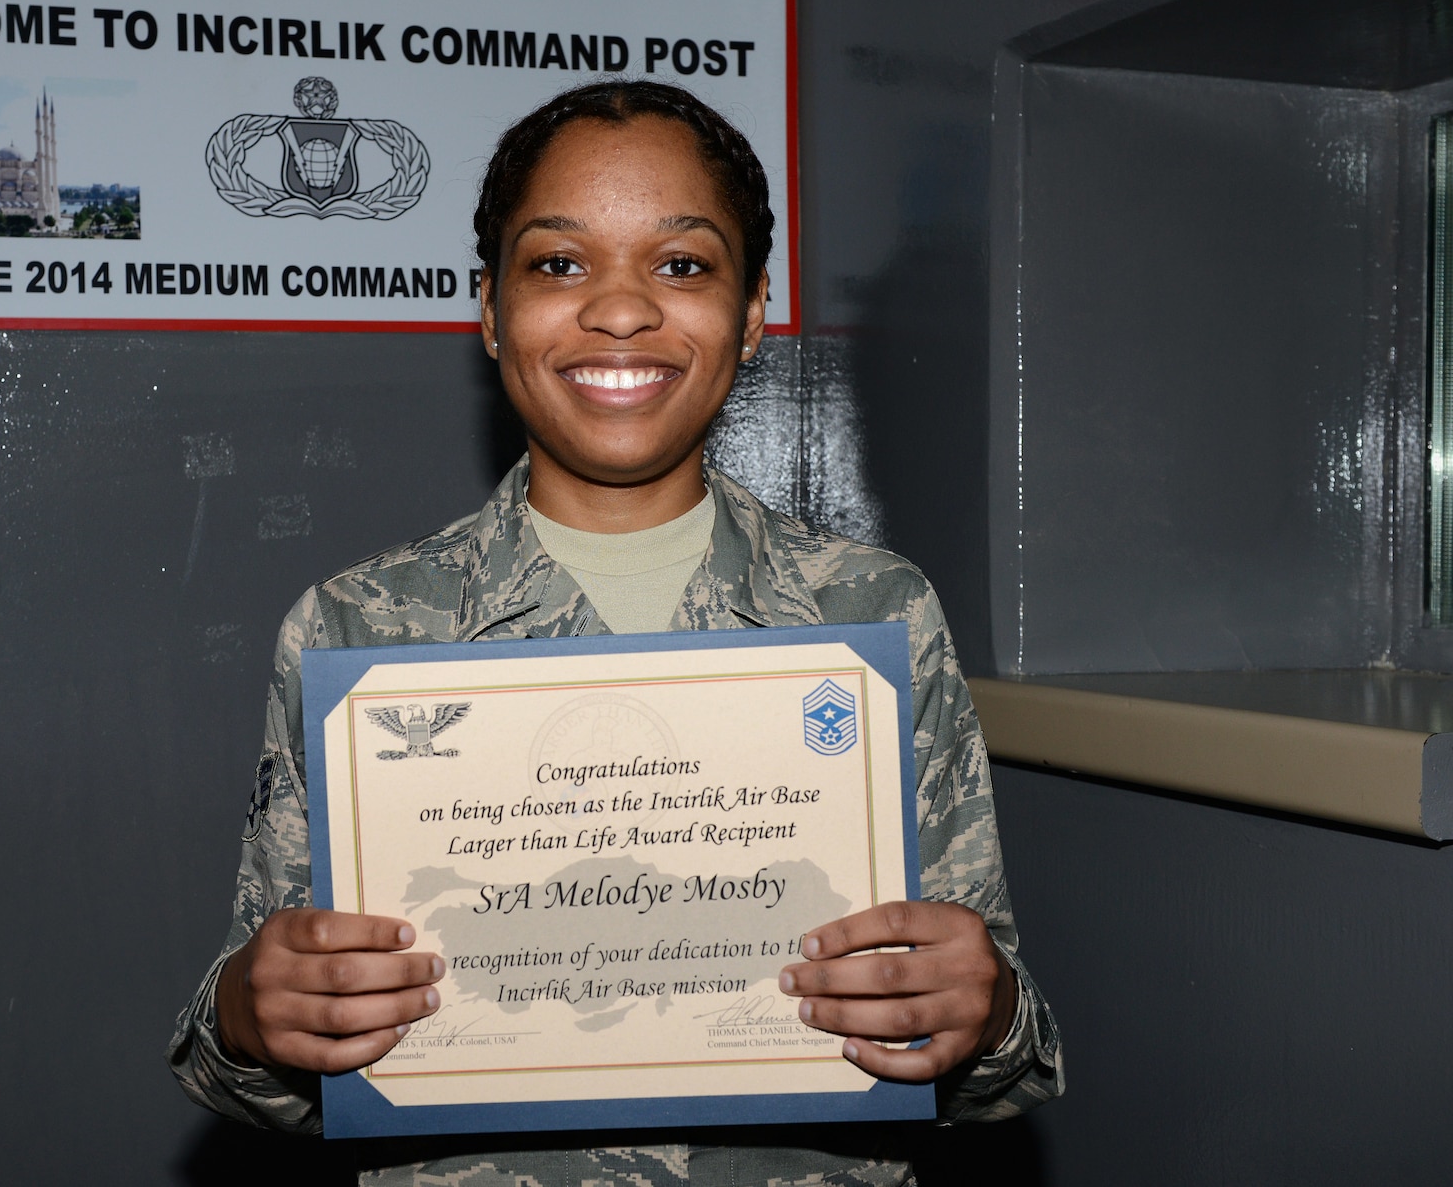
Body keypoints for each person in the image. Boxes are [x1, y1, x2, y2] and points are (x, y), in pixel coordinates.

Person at [168, 80, 1063, 1185]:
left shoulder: (871, 613)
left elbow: (995, 1068)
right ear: (489, 308)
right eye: (556, 263)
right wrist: (253, 1016)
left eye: (682, 264)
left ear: (752, 310)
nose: (621, 308)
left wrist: (986, 1007)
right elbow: (246, 1067)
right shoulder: (358, 629)